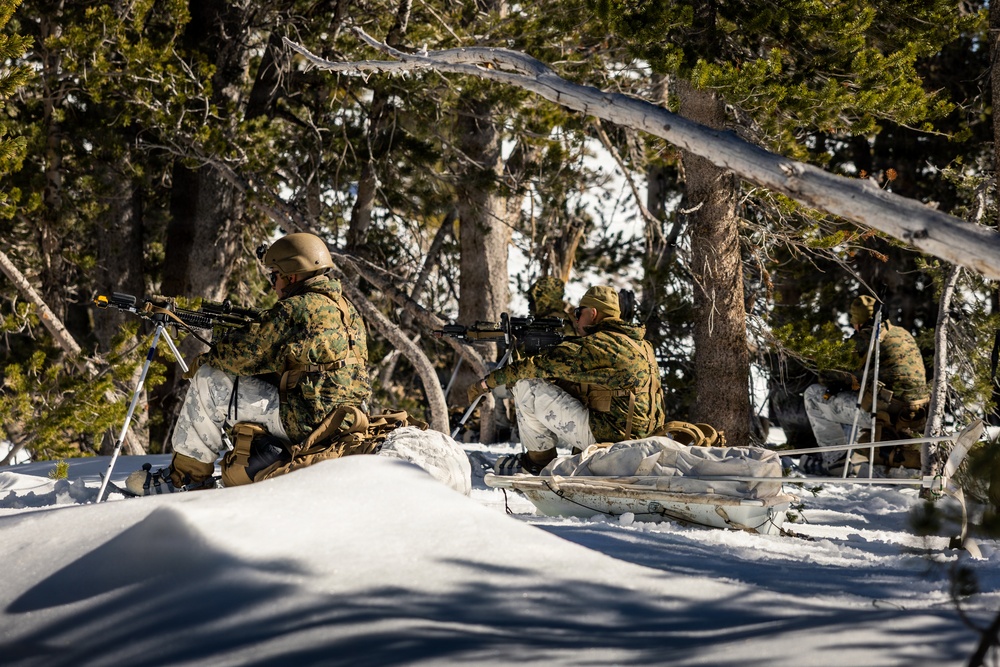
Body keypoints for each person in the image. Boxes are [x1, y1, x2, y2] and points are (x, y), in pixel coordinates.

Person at [127, 232, 372, 494]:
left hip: (307, 420)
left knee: (209, 379)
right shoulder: (345, 308)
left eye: (273, 275)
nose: (272, 284)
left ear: (291, 276)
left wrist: (206, 359)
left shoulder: (296, 308)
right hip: (344, 418)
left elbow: (239, 356)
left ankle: (183, 479)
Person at [469, 285, 665, 475]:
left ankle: (538, 464)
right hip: (643, 440)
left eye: (579, 312)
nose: (576, 318)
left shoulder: (598, 346)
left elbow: (533, 367)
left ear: (593, 313)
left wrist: (486, 383)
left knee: (527, 385)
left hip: (615, 441)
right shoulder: (641, 344)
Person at [802, 295, 929, 474]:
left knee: (813, 395)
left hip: (885, 414)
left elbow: (827, 374)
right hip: (916, 414)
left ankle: (835, 461)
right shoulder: (902, 333)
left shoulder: (867, 338)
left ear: (858, 322)